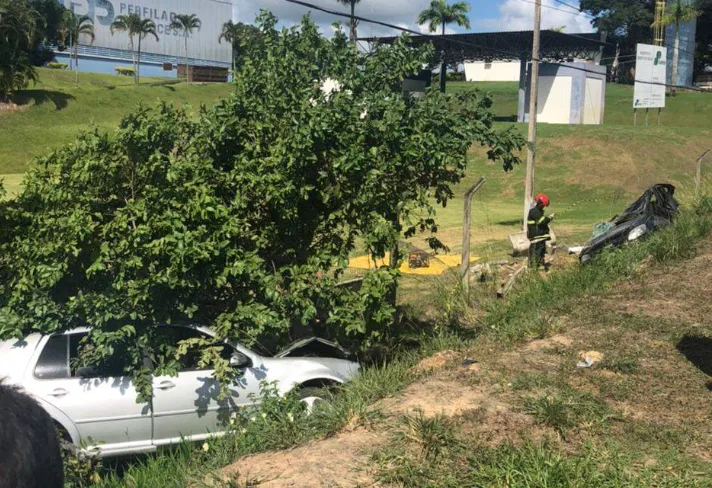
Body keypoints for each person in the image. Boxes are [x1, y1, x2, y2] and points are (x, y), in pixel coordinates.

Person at [527, 194, 556, 270]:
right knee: (535, 253)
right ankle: (533, 269)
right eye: (543, 205)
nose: (544, 207)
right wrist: (550, 217)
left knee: (541, 253)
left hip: (540, 237)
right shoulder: (534, 211)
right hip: (537, 237)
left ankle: (540, 267)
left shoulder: (537, 211)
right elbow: (541, 222)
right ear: (540, 203)